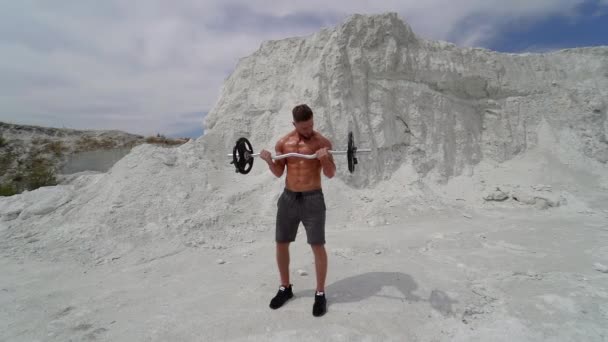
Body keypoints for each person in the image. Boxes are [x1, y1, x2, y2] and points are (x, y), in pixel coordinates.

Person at [259, 104, 336, 317]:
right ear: (294, 124)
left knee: (317, 245)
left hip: (313, 199)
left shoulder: (323, 142)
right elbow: (277, 172)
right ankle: (286, 288)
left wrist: (324, 159)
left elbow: (330, 174)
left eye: (311, 125)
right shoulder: (284, 143)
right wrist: (268, 161)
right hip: (289, 198)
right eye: (304, 128)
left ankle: (320, 293)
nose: (308, 130)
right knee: (281, 243)